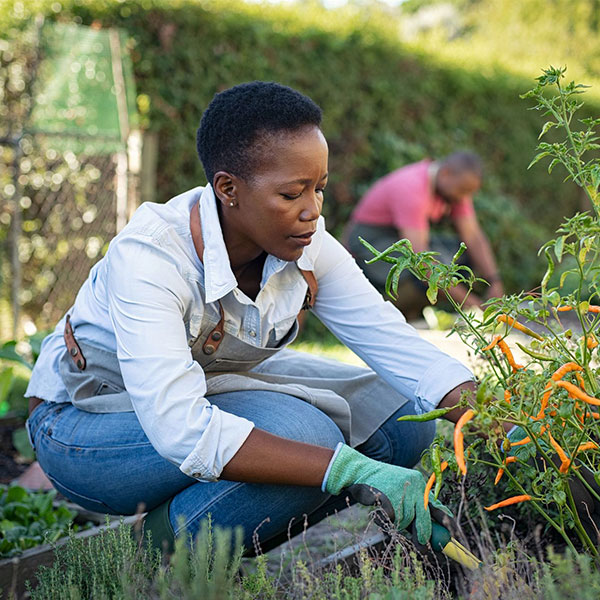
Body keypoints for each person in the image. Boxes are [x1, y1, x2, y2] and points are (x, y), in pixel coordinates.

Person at [24, 82, 477, 555]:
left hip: (212, 388)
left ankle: (204, 520)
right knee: (304, 438)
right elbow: (179, 426)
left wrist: (506, 424)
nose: (313, 211)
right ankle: (150, 552)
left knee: (405, 418)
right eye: (291, 193)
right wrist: (348, 470)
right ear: (228, 188)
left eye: (319, 188)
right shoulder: (153, 258)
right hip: (85, 425)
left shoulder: (306, 242)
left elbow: (397, 347)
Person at [346, 153, 503, 319]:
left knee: (462, 258)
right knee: (421, 272)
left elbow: (473, 237)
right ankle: (380, 312)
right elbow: (421, 263)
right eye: (463, 190)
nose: (464, 197)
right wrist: (473, 305)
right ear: (446, 173)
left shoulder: (452, 190)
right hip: (369, 244)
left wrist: (495, 281)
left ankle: (412, 310)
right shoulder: (413, 189)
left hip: (398, 239)